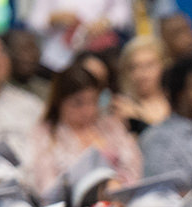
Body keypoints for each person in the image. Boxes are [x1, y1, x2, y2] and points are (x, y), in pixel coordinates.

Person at [26, 60, 142, 196]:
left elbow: (134, 166)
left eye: (93, 101)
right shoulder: (46, 134)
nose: (88, 110)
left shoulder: (110, 125)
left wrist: (119, 185)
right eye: (78, 103)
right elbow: (47, 187)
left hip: (120, 197)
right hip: (73, 203)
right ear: (59, 102)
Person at [113, 36, 169, 136]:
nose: (142, 74)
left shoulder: (176, 102)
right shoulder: (121, 107)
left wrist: (140, 116)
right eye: (134, 67)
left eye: (149, 65)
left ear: (163, 66)